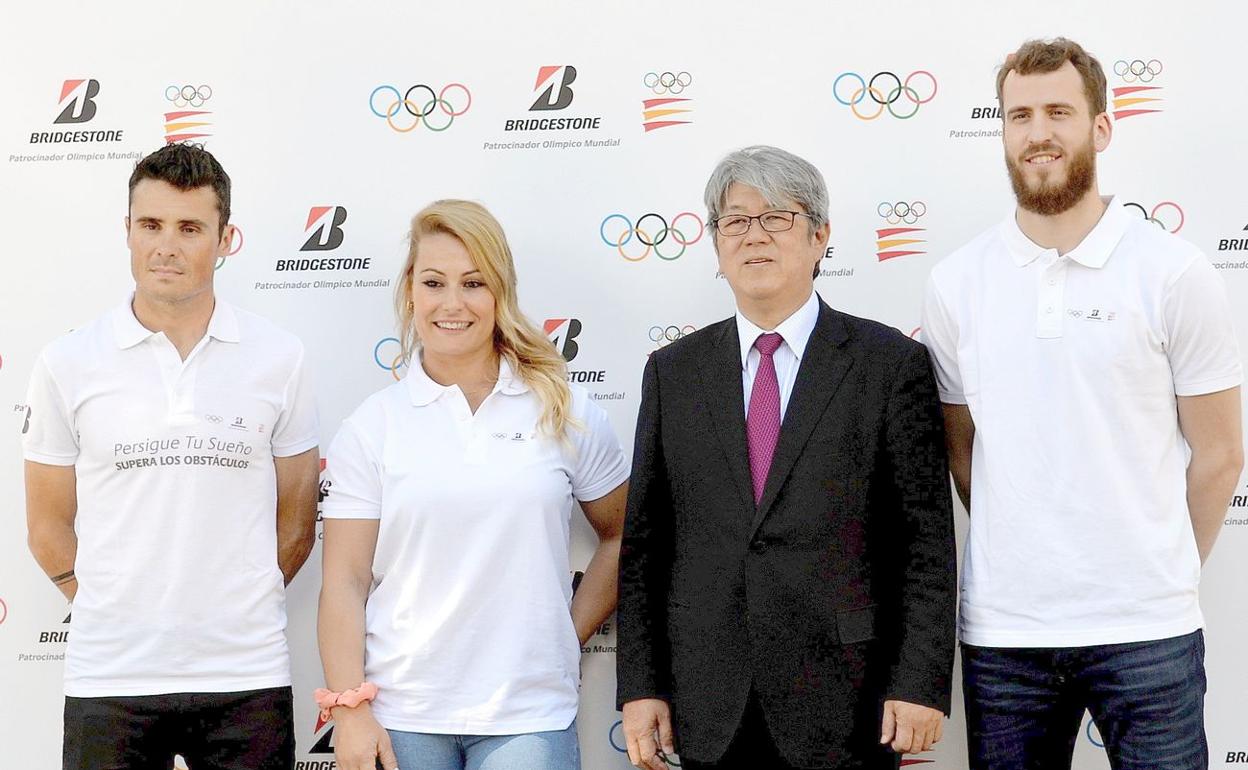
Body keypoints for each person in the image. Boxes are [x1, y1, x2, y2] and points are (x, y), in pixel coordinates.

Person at [921, 38, 1243, 770]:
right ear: (1001, 130)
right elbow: (963, 451)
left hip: (1150, 631)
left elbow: (1222, 455)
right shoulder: (956, 284)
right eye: (1020, 115)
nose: (1039, 133)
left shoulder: (1173, 272)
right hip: (1006, 636)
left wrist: (1161, 570)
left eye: (1059, 112)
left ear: (1100, 127)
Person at [617, 145, 957, 770]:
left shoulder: (888, 366)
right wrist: (640, 687)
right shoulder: (673, 374)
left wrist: (920, 682)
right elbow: (644, 546)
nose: (755, 236)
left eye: (777, 217)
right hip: (707, 698)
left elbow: (926, 544)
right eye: (736, 220)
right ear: (717, 245)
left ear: (820, 235)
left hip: (849, 699)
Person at [23, 142, 321, 770]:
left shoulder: (279, 357)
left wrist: (243, 598)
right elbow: (48, 525)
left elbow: (297, 519)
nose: (167, 245)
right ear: (126, 232)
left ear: (225, 239)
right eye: (150, 225)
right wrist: (111, 603)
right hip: (110, 680)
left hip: (246, 673)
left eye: (190, 228)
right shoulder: (68, 362)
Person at [317, 199, 629, 770]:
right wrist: (349, 709)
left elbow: (622, 535)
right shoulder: (373, 425)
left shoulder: (563, 409)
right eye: (434, 282)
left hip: (528, 716)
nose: (452, 303)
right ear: (410, 291)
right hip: (402, 714)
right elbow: (344, 580)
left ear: (499, 293)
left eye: (474, 282)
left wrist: (566, 633)